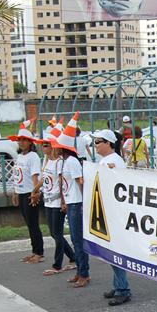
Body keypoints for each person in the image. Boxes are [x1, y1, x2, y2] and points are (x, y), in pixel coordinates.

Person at [92, 129, 133, 306]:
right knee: (111, 252)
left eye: (98, 142)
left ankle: (123, 289)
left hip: (114, 214)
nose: (95, 145)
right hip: (107, 211)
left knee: (115, 252)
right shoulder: (106, 160)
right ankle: (118, 286)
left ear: (108, 143)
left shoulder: (115, 161)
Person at [57, 113, 90, 288]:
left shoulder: (72, 162)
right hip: (71, 203)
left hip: (77, 204)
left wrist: (84, 203)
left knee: (78, 240)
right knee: (75, 239)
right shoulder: (65, 161)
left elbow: (80, 182)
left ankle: (84, 273)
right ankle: (80, 271)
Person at [38, 128, 76, 276]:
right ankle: (73, 257)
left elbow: (61, 182)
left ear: (53, 146)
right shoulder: (47, 161)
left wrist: (63, 201)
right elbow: (44, 180)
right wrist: (35, 191)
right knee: (53, 233)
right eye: (43, 144)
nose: (43, 147)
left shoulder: (59, 162)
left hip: (57, 201)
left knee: (58, 234)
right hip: (48, 200)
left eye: (46, 144)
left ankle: (57, 264)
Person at [8, 119, 44, 264]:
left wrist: (35, 193)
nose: (21, 142)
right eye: (20, 140)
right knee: (29, 224)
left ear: (30, 142)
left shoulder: (33, 157)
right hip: (21, 193)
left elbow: (35, 176)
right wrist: (15, 192)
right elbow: (17, 176)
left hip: (30, 193)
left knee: (33, 224)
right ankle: (34, 250)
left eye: (24, 140)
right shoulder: (20, 156)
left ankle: (39, 252)